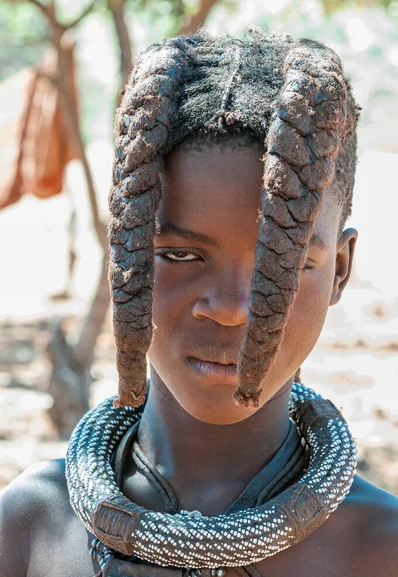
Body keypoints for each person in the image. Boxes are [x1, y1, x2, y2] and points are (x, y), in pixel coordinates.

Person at [0, 29, 397, 577]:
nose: (232, 308)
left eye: (281, 263)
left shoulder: (380, 549)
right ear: (126, 251)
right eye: (181, 255)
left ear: (340, 270)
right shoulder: (30, 529)